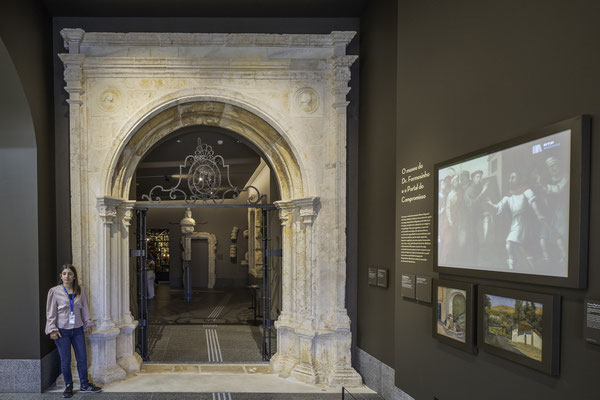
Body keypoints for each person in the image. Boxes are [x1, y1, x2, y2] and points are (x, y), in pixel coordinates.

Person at [45, 264, 102, 398]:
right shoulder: (54, 291)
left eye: (70, 274)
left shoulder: (81, 290)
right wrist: (52, 329)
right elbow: (50, 312)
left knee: (82, 358)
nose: (67, 276)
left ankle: (84, 385)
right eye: (64, 274)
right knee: (66, 360)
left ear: (74, 276)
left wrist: (88, 323)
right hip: (61, 331)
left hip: (77, 330)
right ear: (61, 276)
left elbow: (85, 309)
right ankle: (69, 386)